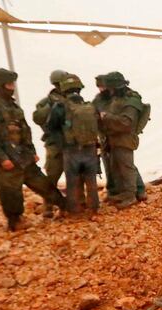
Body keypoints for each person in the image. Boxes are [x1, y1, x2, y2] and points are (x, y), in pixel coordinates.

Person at [0, 68, 66, 231]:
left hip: (24, 157)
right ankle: (15, 221)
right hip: (7, 158)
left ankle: (64, 206)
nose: (12, 87)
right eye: (9, 84)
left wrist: (32, 152)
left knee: (44, 184)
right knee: (10, 192)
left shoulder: (12, 105)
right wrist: (2, 157)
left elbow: (25, 130)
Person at [47, 74, 100, 214]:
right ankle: (93, 208)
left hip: (71, 149)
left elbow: (51, 127)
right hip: (90, 148)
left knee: (72, 181)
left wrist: (62, 144)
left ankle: (75, 210)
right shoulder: (89, 105)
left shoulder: (60, 107)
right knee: (91, 180)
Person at [93, 72, 148, 208]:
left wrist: (107, 117)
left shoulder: (130, 100)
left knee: (126, 167)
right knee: (117, 166)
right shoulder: (114, 98)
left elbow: (126, 123)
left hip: (125, 138)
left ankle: (131, 196)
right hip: (112, 137)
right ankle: (125, 193)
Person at [32, 70, 69, 218]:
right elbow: (38, 118)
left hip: (69, 143)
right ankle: (48, 206)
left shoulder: (71, 98)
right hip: (54, 143)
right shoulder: (46, 102)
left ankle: (74, 203)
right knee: (52, 176)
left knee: (73, 175)